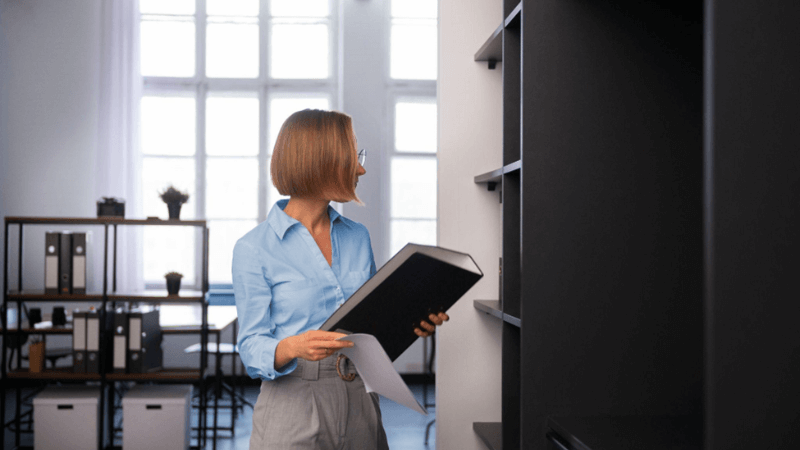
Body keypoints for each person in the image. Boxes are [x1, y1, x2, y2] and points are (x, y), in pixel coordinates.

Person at [232, 109, 449, 450]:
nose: (361, 169)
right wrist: (293, 346)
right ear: (320, 161)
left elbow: (370, 326)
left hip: (360, 398)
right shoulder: (254, 248)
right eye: (353, 157)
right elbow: (250, 347)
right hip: (292, 404)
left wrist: (409, 323)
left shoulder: (357, 236)